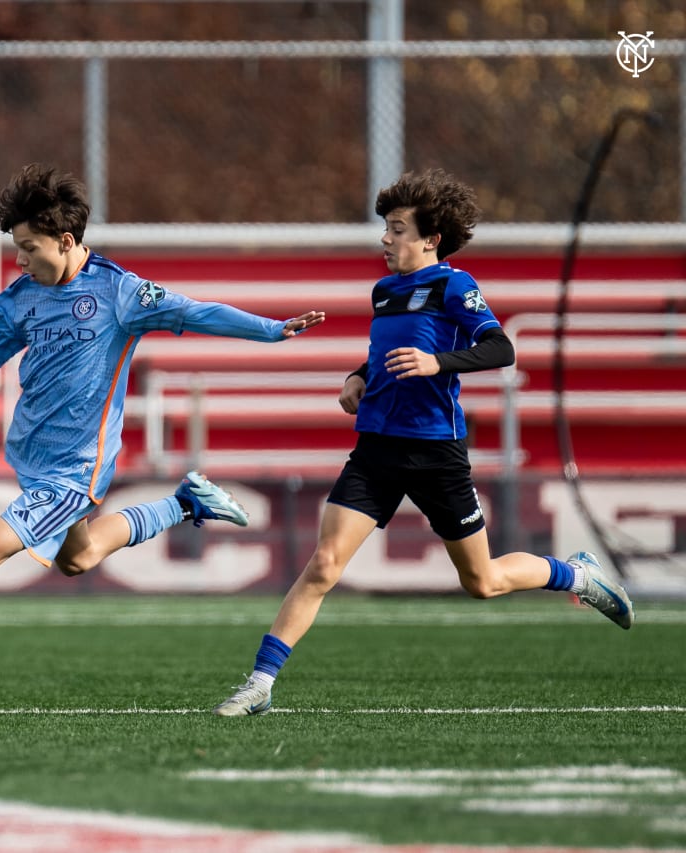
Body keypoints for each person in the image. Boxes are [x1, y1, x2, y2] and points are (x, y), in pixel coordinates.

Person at [0, 162, 326, 706]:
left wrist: (269, 330)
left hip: (76, 469)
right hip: (32, 458)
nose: (20, 258)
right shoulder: (19, 299)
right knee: (78, 557)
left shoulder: (119, 293)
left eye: (29, 247)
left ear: (66, 240)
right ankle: (184, 504)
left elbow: (196, 312)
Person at [212, 168, 635, 718]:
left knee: (482, 582)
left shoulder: (455, 286)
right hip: (377, 450)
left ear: (430, 238)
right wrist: (358, 376)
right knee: (323, 565)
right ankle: (259, 685)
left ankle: (578, 575)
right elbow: (390, 347)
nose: (386, 239)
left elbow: (500, 349)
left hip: (436, 452)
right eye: (386, 228)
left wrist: (439, 363)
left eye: (397, 229)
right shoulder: (385, 291)